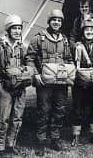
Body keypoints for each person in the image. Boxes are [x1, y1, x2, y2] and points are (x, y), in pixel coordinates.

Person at [26, 9, 74, 156]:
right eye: (54, 20)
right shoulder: (38, 38)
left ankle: (55, 138)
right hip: (45, 83)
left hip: (60, 83)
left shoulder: (64, 40)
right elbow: (29, 58)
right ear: (49, 21)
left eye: (59, 20)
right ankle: (40, 140)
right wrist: (36, 74)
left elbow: (69, 59)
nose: (56, 22)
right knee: (43, 111)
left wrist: (70, 73)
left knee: (59, 110)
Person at [0, 14, 31, 157]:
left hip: (19, 87)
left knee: (17, 117)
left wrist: (26, 74)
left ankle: (10, 144)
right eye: (14, 28)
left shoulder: (22, 47)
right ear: (8, 29)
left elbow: (27, 64)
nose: (17, 31)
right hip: (4, 86)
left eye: (19, 28)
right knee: (2, 118)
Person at [71, 18, 93, 147]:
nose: (89, 32)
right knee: (77, 109)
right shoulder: (76, 46)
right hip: (80, 84)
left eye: (91, 30)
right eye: (87, 30)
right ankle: (76, 136)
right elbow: (70, 60)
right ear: (83, 32)